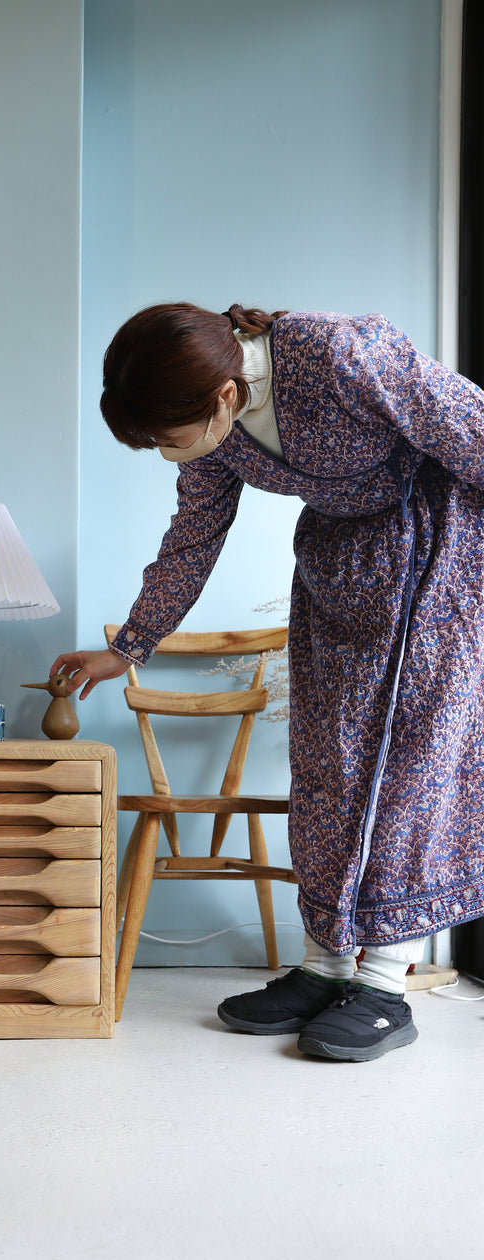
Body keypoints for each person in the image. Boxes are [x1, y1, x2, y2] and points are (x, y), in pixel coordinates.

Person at [51, 301, 484, 1062]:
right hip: (339, 572)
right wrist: (132, 646)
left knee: (409, 771)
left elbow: (469, 426)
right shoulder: (209, 438)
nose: (165, 453)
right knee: (327, 766)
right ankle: (323, 967)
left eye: (167, 438)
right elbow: (192, 538)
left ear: (224, 394)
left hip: (437, 554)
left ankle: (384, 984)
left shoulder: (333, 353)